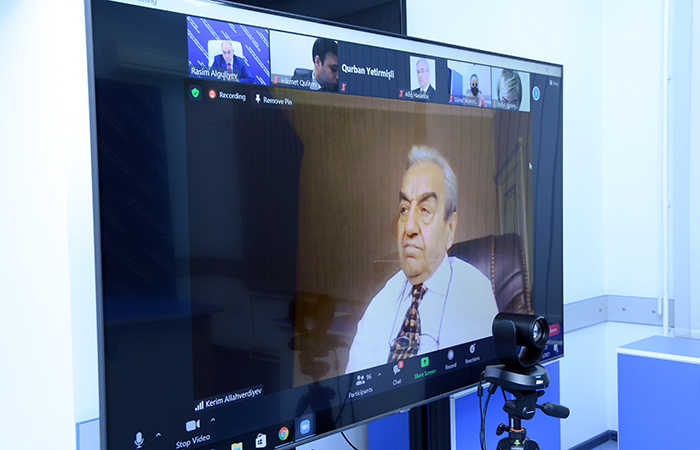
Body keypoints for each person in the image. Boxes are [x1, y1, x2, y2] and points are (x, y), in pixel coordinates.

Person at [345, 146, 498, 374]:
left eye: (425, 209)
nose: (409, 227)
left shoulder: (474, 293)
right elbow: (356, 389)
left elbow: (480, 387)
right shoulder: (379, 305)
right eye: (404, 209)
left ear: (450, 228)